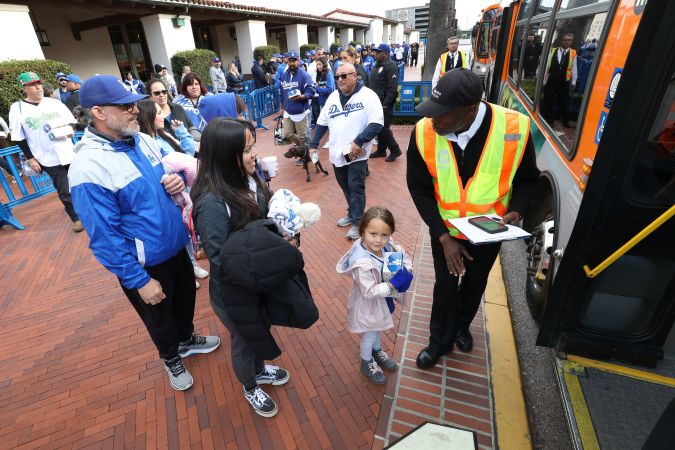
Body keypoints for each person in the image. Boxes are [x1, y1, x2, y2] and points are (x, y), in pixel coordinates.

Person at [68, 75, 220, 391]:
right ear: (98, 112)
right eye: (124, 106)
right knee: (159, 319)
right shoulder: (87, 166)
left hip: (176, 247)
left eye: (133, 103)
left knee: (184, 302)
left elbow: (169, 175)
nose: (135, 109)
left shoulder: (144, 140)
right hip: (145, 265)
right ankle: (171, 358)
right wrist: (138, 280)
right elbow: (103, 237)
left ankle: (186, 339)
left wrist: (176, 181)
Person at [406, 69, 540, 370]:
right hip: (446, 229)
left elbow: (529, 180)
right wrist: (442, 236)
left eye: (441, 115)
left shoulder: (514, 128)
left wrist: (516, 209)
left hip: (488, 230)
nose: (433, 121)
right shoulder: (425, 133)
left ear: (470, 110)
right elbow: (419, 188)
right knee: (445, 286)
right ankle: (438, 343)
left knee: (475, 282)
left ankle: (461, 328)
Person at [191, 118, 293, 418]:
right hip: (235, 292)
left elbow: (263, 221)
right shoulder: (211, 202)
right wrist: (266, 257)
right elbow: (220, 257)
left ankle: (259, 371)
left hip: (258, 282)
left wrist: (285, 225)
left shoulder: (248, 179)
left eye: (252, 147)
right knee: (245, 340)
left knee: (259, 330)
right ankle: (250, 385)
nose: (254, 154)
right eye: (246, 149)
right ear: (224, 155)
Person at [336, 206, 413, 384]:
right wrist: (393, 283)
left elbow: (403, 257)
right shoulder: (361, 261)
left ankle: (376, 351)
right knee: (370, 333)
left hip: (383, 300)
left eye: (384, 235)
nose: (379, 240)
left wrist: (406, 270)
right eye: (373, 234)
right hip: (368, 304)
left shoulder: (388, 246)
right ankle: (366, 361)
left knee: (378, 328)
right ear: (362, 231)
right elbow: (369, 291)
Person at [135, 99, 208, 285]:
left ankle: (192, 264)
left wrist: (181, 132)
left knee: (188, 230)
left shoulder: (164, 135)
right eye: (158, 113)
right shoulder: (143, 143)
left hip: (185, 191)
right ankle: (188, 267)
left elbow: (188, 152)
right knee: (180, 230)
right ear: (148, 116)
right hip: (170, 197)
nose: (163, 116)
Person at [309, 63, 383, 239]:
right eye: (337, 77)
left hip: (357, 152)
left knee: (356, 186)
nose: (339, 80)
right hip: (337, 151)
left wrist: (359, 141)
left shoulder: (368, 96)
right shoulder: (333, 97)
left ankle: (359, 222)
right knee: (345, 185)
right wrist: (313, 143)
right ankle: (352, 213)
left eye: (344, 76)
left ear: (354, 75)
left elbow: (377, 123)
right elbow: (322, 122)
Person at [8, 71, 82, 232]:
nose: (37, 87)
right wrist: (31, 158)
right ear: (24, 88)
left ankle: (90, 210)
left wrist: (69, 131)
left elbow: (72, 123)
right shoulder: (18, 108)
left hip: (68, 151)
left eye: (38, 83)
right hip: (46, 157)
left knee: (82, 183)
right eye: (32, 85)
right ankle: (76, 218)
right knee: (64, 189)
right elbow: (18, 137)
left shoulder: (54, 103)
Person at [368, 43, 402, 162]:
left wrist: (386, 103)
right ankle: (381, 150)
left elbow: (392, 87)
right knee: (379, 128)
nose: (375, 54)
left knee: (383, 128)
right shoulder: (377, 65)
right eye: (375, 52)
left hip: (384, 103)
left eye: (378, 52)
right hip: (376, 102)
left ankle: (395, 150)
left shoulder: (391, 65)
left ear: (386, 53)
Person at [279, 51, 315, 145]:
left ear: (298, 61)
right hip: (288, 111)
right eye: (290, 61)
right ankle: (303, 147)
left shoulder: (304, 75)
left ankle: (305, 154)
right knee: (287, 134)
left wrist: (300, 97)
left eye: (294, 61)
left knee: (302, 136)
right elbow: (282, 93)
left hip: (300, 111)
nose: (291, 63)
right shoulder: (284, 75)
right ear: (287, 61)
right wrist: (282, 107)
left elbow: (311, 92)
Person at [543, 33, 577, 128]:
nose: (567, 42)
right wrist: (543, 80)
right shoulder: (553, 51)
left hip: (564, 81)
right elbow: (546, 66)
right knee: (548, 100)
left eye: (569, 40)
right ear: (561, 41)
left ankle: (566, 120)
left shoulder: (573, 53)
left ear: (571, 42)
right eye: (565, 40)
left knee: (564, 101)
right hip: (552, 79)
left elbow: (574, 69)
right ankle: (549, 120)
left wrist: (573, 82)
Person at [311, 56, 335, 128]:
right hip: (322, 101)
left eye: (320, 64)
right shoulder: (321, 74)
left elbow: (330, 89)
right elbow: (322, 86)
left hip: (328, 102)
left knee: (328, 125)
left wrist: (317, 88)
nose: (318, 66)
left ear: (324, 64)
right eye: (317, 65)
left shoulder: (328, 74)